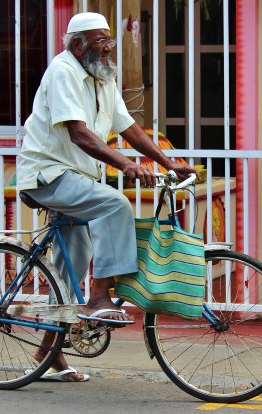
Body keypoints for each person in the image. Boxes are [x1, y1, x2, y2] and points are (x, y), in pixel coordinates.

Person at [16, 12, 198, 382]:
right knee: (115, 204)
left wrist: (168, 162)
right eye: (100, 41)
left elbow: (128, 125)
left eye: (109, 41)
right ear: (77, 44)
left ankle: (47, 353)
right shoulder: (63, 71)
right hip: (48, 176)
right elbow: (79, 134)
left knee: (71, 266)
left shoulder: (102, 77)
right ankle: (99, 297)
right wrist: (127, 166)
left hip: (77, 178)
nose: (107, 48)